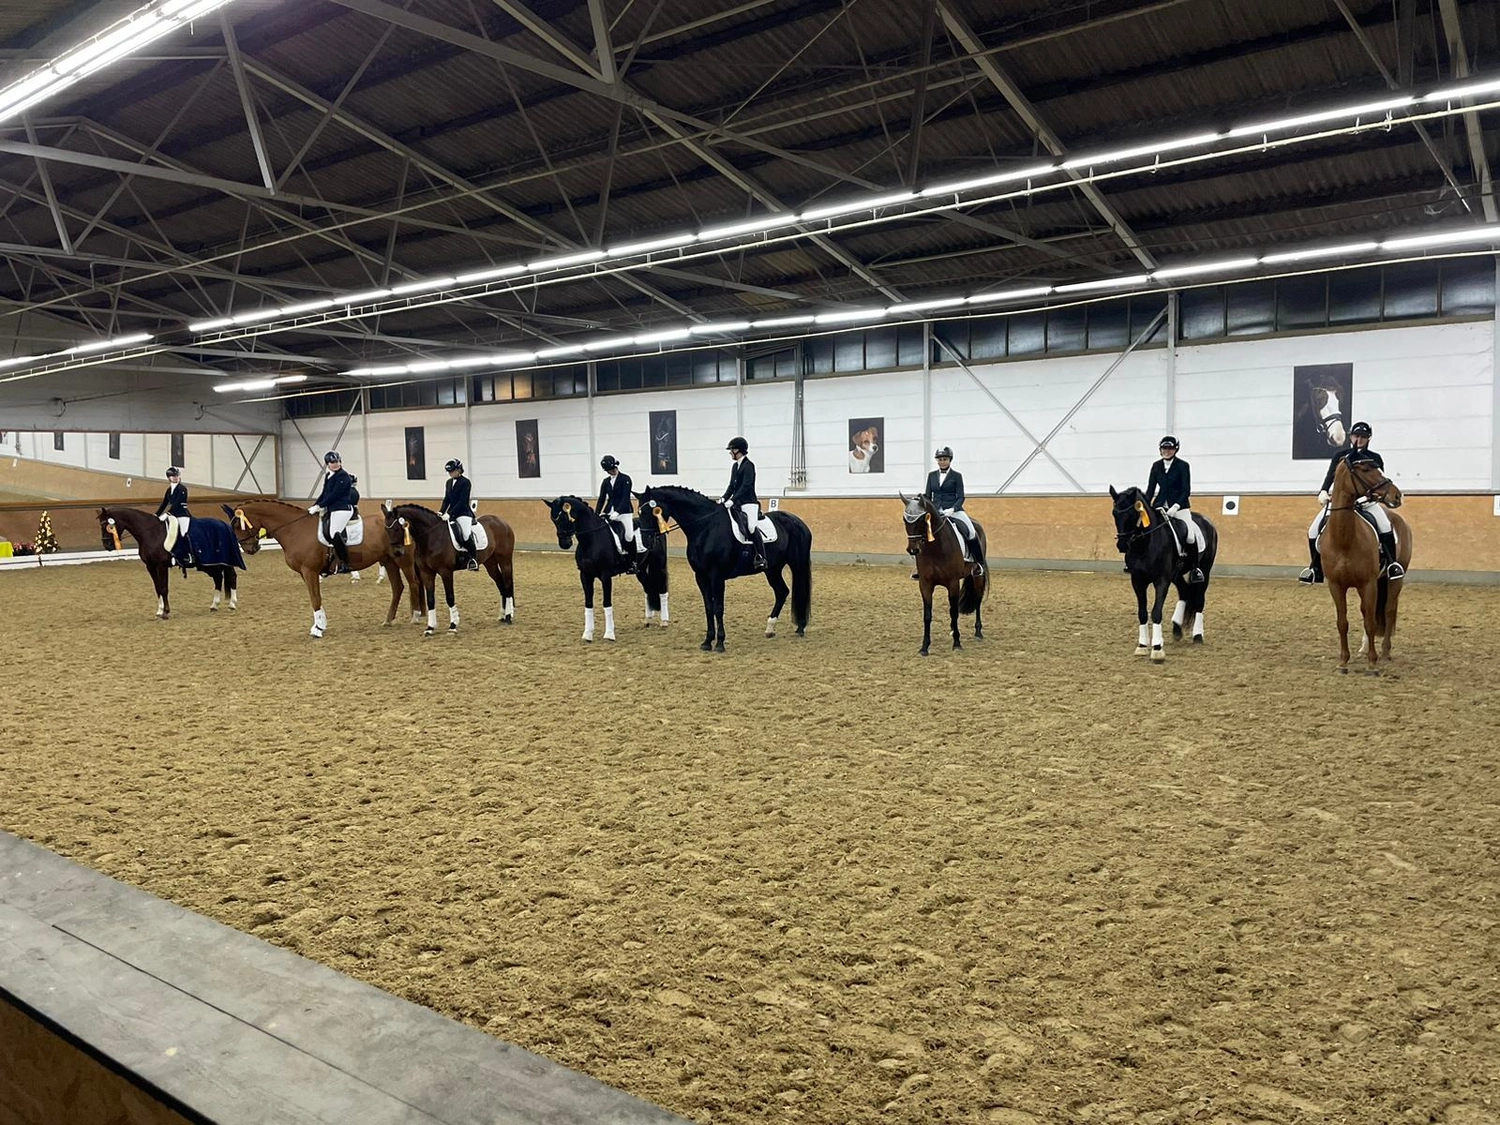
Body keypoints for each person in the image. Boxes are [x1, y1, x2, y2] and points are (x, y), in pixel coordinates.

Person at [1299, 420, 1403, 583]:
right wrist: (1324, 491)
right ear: (1350, 437)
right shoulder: (1340, 456)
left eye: (1363, 437)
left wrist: (1365, 498)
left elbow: (1379, 483)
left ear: (1368, 438)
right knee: (1313, 530)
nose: (1359, 440)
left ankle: (1391, 564)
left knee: (1385, 526)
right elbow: (1330, 476)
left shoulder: (1374, 458)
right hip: (1341, 503)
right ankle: (1316, 569)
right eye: (1356, 436)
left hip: (1366, 503)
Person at [1145, 436, 1205, 583]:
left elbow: (1186, 490)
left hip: (1179, 507)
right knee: (1143, 529)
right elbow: (1150, 489)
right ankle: (1135, 562)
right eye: (1164, 448)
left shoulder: (1183, 466)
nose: (1167, 451)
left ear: (1175, 450)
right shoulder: (1156, 466)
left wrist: (1176, 506)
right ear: (1160, 450)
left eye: (1170, 448)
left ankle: (1195, 569)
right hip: (1159, 506)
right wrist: (1145, 506)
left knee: (1190, 535)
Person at [922, 446, 984, 578]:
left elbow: (961, 497)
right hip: (936, 511)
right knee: (921, 532)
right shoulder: (931, 476)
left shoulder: (956, 476)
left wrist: (953, 509)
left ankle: (978, 563)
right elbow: (927, 495)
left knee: (971, 531)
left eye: (945, 459)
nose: (942, 462)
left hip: (953, 510)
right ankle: (920, 567)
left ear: (950, 460)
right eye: (940, 459)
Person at [722, 436, 766, 571]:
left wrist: (732, 500)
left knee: (751, 527)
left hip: (749, 503)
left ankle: (761, 556)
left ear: (738, 450)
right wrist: (723, 499)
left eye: (731, 450)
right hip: (737, 503)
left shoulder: (749, 465)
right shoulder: (735, 466)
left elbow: (746, 486)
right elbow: (732, 486)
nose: (730, 453)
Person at [308, 451, 355, 576]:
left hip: (342, 509)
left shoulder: (343, 476)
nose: (335, 464)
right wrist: (314, 505)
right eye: (332, 462)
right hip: (332, 509)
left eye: (337, 462)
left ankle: (345, 562)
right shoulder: (328, 476)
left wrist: (320, 506)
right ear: (327, 464)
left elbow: (335, 495)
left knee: (334, 533)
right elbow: (324, 493)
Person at [595, 455, 638, 574]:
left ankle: (633, 563)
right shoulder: (606, 482)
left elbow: (625, 498)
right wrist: (596, 513)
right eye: (609, 470)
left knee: (628, 536)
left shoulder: (626, 479)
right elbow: (601, 498)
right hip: (609, 511)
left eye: (612, 469)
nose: (611, 471)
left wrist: (618, 512)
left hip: (624, 512)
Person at [440, 458, 479, 570]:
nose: (450, 474)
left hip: (463, 513)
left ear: (459, 470)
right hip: (451, 514)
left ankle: (473, 559)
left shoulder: (465, 482)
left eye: (452, 471)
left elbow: (463, 501)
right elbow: (446, 499)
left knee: (465, 535)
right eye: (449, 472)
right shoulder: (448, 483)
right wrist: (441, 511)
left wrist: (450, 513)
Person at [156, 466, 192, 569]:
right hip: (173, 515)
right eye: (173, 476)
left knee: (183, 533)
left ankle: (189, 555)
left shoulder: (182, 489)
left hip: (182, 515)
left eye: (176, 475)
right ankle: (172, 554)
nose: (176, 477)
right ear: (169, 478)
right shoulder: (169, 490)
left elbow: (177, 504)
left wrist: (167, 514)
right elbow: (164, 503)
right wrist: (156, 515)